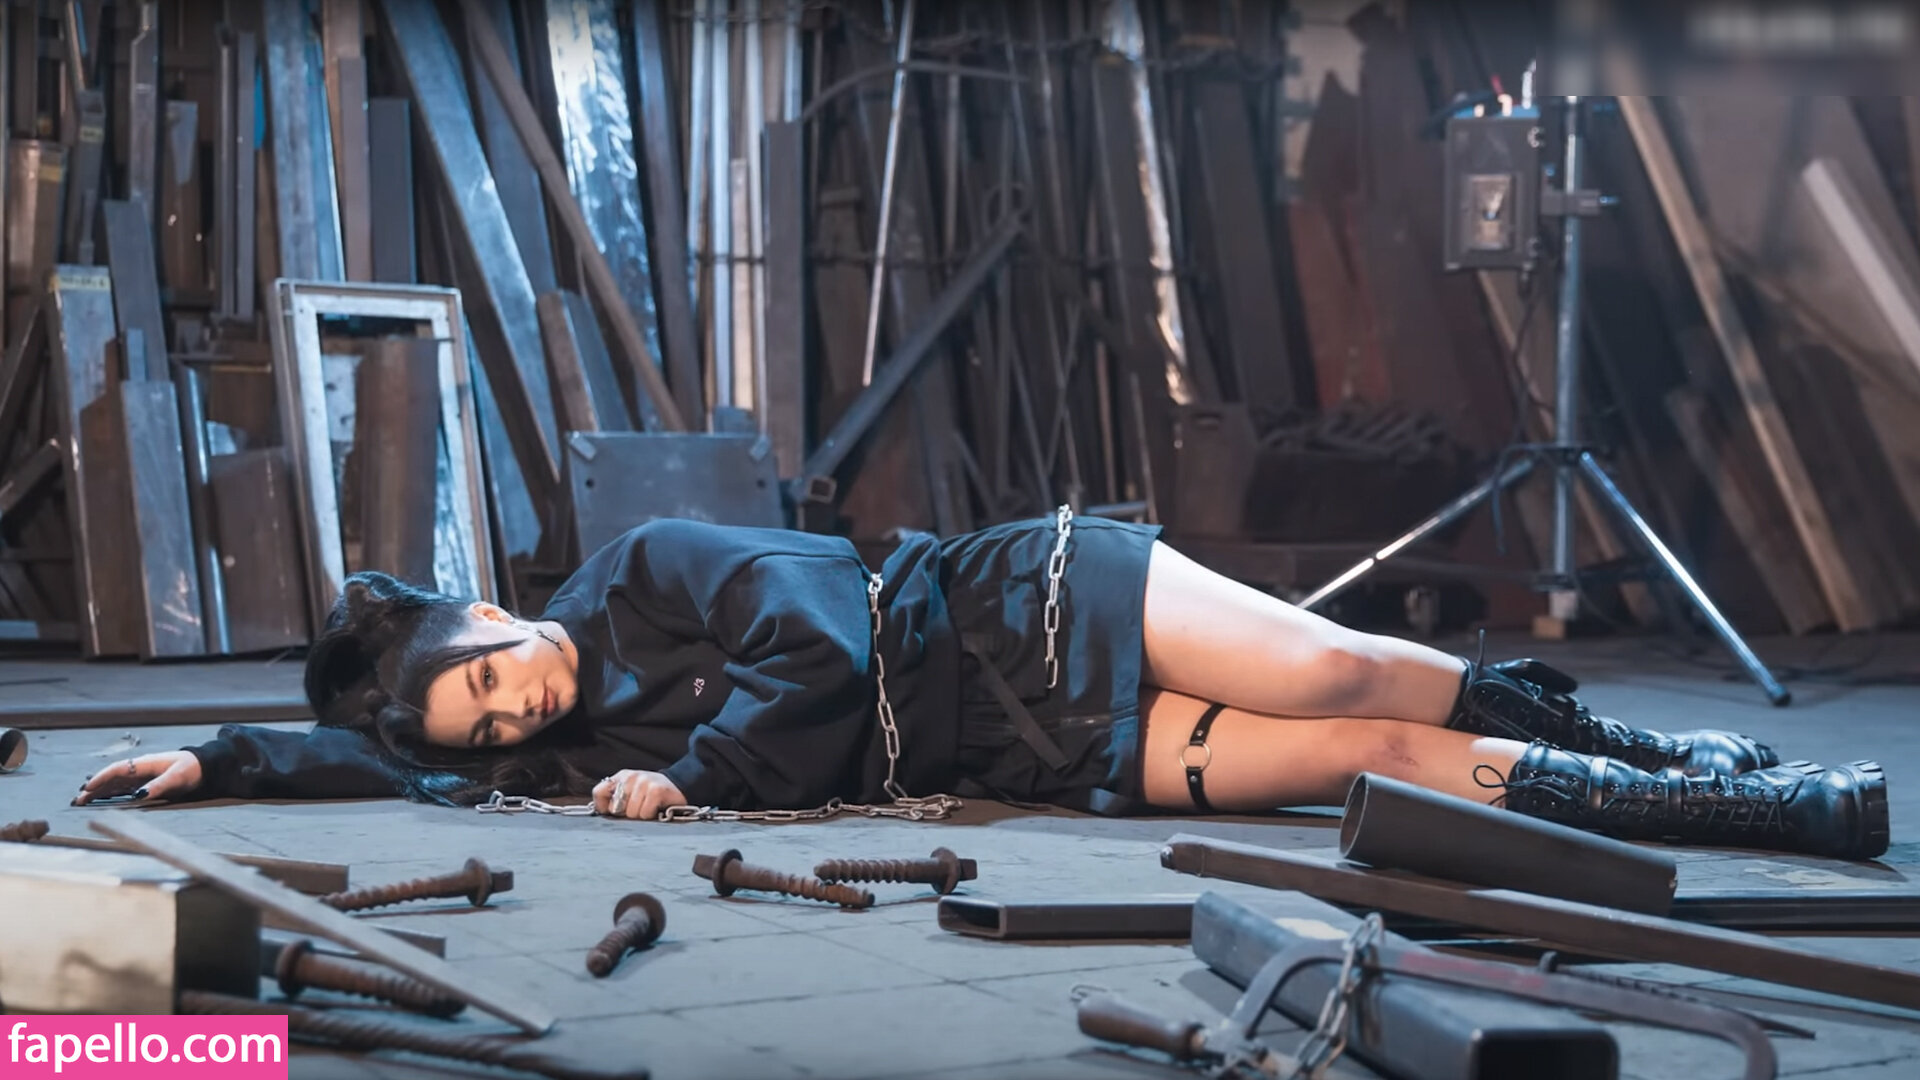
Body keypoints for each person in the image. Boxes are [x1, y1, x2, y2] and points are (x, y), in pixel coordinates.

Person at [78, 511, 1887, 860]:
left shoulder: (640, 569)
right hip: (1026, 744)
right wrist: (225, 759)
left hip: (1016, 607)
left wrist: (699, 778)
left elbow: (818, 627)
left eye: (488, 684)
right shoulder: (546, 764)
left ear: (488, 614)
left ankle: (1659, 742)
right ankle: (1736, 809)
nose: (513, 723)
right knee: (1359, 758)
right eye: (485, 733)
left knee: (1338, 659)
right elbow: (398, 777)